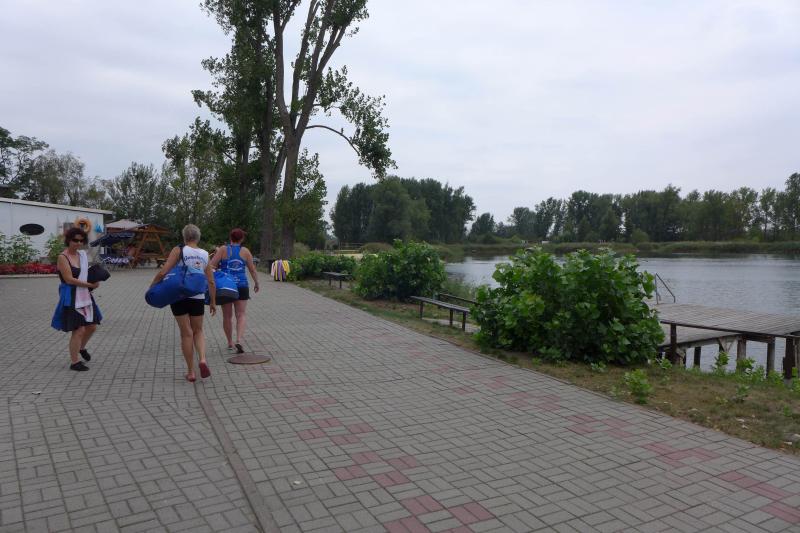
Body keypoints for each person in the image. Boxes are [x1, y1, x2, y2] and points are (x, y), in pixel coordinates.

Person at [150, 224, 216, 382]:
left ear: (184, 237)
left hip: (178, 296)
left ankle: (191, 372)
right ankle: (202, 359)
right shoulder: (205, 254)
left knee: (186, 334)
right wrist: (213, 301)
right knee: (198, 331)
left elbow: (164, 271)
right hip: (197, 296)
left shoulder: (179, 250)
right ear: (198, 237)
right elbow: (211, 281)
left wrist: (152, 287)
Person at [51, 227, 103, 371]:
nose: (78, 243)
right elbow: (69, 279)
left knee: (92, 326)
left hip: (84, 294)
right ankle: (74, 363)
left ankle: (81, 348)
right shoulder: (63, 257)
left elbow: (86, 273)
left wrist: (96, 279)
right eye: (75, 240)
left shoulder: (82, 255)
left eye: (81, 241)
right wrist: (90, 285)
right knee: (79, 329)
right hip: (71, 295)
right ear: (68, 240)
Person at [209, 228, 260, 353]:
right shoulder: (245, 251)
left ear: (230, 238)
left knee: (227, 316)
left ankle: (230, 343)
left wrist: (218, 273)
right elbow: (252, 270)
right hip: (242, 286)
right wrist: (256, 282)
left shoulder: (223, 249)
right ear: (241, 239)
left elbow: (211, 266)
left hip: (226, 286)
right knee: (241, 314)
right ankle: (239, 340)